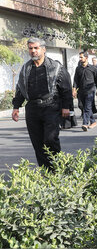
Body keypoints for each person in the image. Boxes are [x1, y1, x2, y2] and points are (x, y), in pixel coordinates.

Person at [11, 37, 72, 169]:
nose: (33, 51)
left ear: (43, 49)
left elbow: (66, 88)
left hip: (51, 106)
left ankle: (58, 168)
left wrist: (66, 107)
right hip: (32, 109)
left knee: (50, 139)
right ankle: (45, 171)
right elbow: (20, 89)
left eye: (36, 48)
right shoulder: (26, 68)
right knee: (37, 143)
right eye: (31, 48)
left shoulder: (55, 67)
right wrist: (16, 107)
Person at [73, 51, 97, 131]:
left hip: (90, 90)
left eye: (81, 57)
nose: (80, 59)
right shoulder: (78, 68)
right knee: (82, 106)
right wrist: (74, 89)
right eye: (80, 57)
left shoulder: (93, 68)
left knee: (87, 107)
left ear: (86, 58)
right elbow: (75, 80)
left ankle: (85, 123)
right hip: (81, 91)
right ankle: (93, 121)